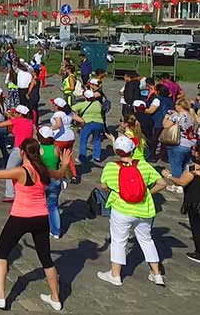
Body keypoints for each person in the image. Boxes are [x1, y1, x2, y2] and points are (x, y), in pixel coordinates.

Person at [0, 140, 72, 311]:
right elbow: (58, 175)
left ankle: (0, 296)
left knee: (1, 253)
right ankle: (55, 298)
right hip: (41, 217)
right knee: (46, 258)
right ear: (38, 152)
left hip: (20, 217)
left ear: (22, 153)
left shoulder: (21, 171)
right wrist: (64, 164)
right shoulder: (43, 170)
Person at [97, 135, 167, 286]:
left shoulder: (110, 167)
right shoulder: (143, 165)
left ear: (117, 151)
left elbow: (103, 186)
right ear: (133, 150)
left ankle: (115, 275)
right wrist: (147, 192)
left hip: (121, 209)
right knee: (147, 240)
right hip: (144, 210)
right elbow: (162, 183)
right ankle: (157, 274)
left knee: (118, 241)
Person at [163, 142, 200, 263]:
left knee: (196, 228)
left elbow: (181, 182)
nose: (192, 152)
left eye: (194, 149)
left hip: (194, 202)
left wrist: (168, 176)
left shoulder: (193, 167)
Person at [72, 89, 105, 165]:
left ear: (85, 97)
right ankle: (97, 156)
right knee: (97, 140)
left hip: (88, 123)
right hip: (99, 123)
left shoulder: (81, 104)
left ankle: (82, 157)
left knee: (83, 140)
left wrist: (77, 118)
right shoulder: (98, 103)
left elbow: (71, 109)